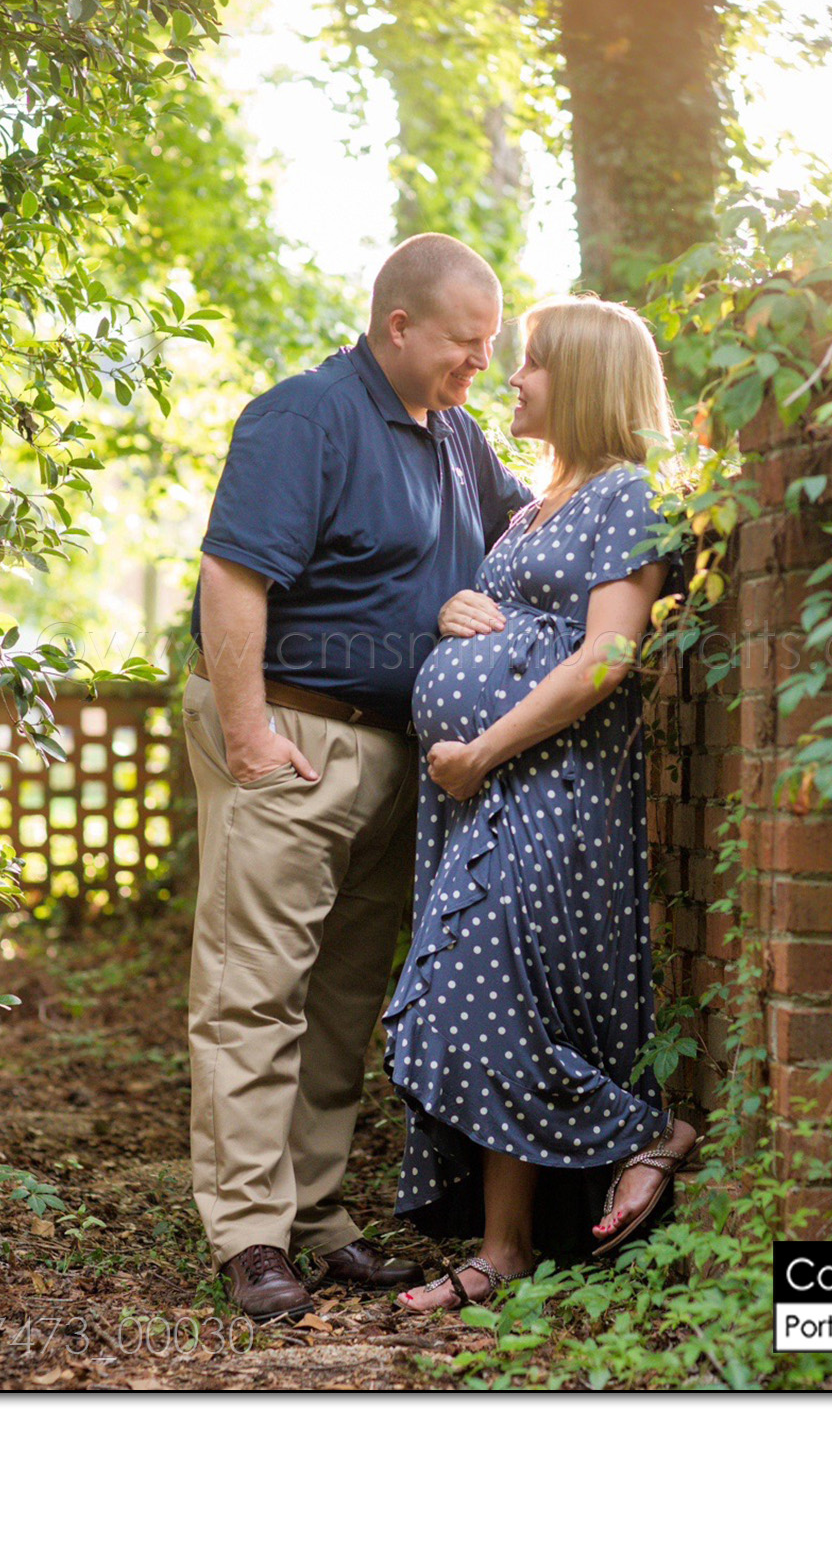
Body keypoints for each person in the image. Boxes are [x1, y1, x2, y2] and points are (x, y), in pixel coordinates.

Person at [182, 233, 532, 1320]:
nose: (481, 364)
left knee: (340, 999)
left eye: (491, 345)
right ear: (399, 325)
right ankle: (250, 1234)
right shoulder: (305, 416)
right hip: (292, 731)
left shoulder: (458, 438)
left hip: (394, 758)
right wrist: (247, 735)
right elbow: (232, 576)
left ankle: (316, 1217)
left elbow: (537, 529)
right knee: (255, 989)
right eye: (466, 343)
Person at [383, 293, 699, 1312]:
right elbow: (518, 617)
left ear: (586, 379)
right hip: (488, 793)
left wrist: (481, 748)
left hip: (553, 784)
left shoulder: (627, 497)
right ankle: (505, 1246)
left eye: (530, 362)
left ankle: (646, 1130)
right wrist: (455, 610)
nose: (510, 379)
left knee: (468, 992)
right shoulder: (533, 506)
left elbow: (607, 655)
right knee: (496, 1003)